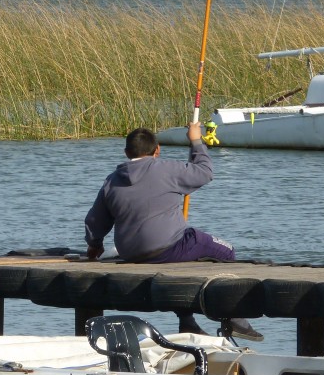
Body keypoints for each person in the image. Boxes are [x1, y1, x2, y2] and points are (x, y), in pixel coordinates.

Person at [84, 123, 263, 341]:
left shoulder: (111, 180)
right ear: (157, 150)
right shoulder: (167, 169)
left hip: (131, 252)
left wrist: (94, 245)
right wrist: (196, 140)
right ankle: (234, 318)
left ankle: (187, 321)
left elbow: (96, 220)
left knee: (180, 267)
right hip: (170, 246)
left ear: (126, 152)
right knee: (226, 251)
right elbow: (205, 172)